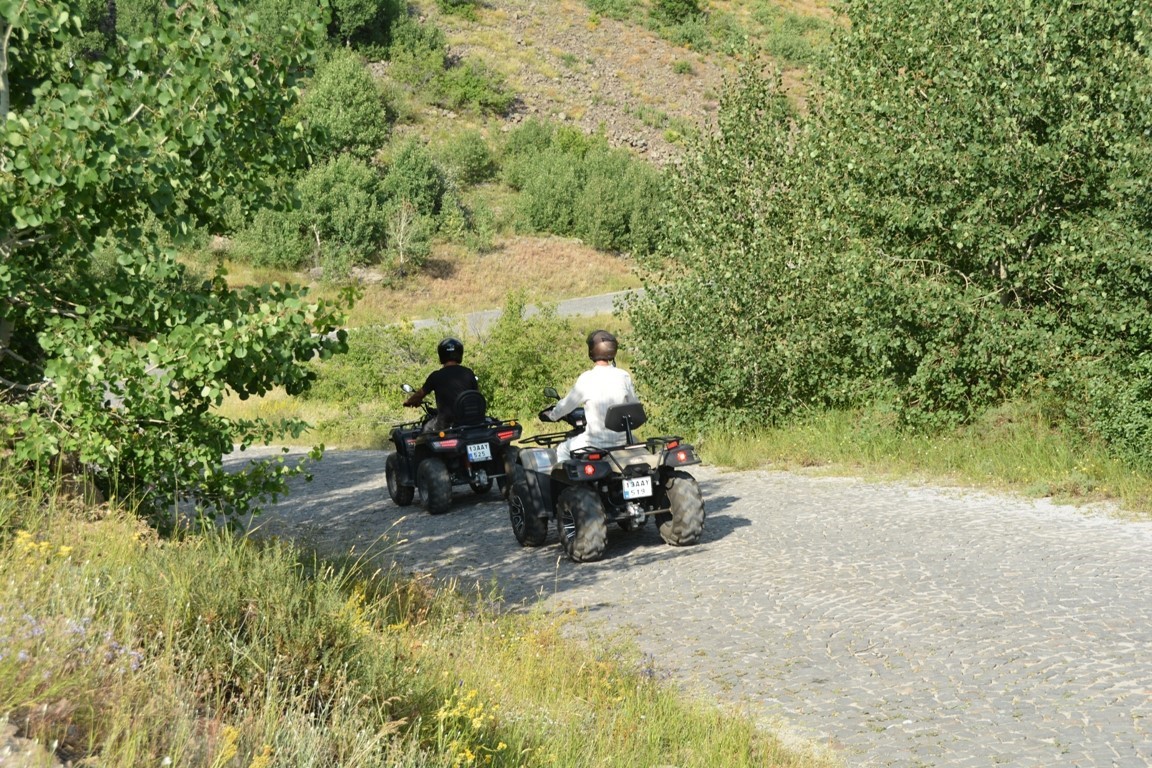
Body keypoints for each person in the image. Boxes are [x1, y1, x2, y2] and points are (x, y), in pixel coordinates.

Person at [542, 330, 638, 462]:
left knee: (562, 449)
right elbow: (634, 407)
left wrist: (553, 415)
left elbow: (566, 405)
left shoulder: (587, 378)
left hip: (594, 443)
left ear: (592, 350)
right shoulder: (624, 376)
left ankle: (568, 482)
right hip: (622, 441)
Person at [404, 337, 479, 432]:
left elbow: (420, 394)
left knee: (425, 431)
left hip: (446, 423)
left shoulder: (435, 376)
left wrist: (409, 402)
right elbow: (477, 396)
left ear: (441, 354)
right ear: (460, 353)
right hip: (471, 420)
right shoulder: (469, 373)